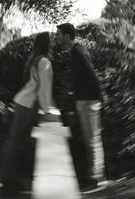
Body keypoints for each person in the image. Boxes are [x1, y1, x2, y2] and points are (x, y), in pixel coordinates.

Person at [55, 23, 109, 194]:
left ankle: (97, 179)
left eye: (58, 34)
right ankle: (94, 176)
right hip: (85, 100)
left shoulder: (77, 52)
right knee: (90, 140)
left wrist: (98, 98)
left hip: (89, 101)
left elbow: (91, 75)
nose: (56, 37)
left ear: (67, 35)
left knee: (92, 140)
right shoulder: (76, 50)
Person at [0, 32, 54, 196]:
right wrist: (46, 110)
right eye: (52, 41)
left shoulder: (35, 59)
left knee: (14, 141)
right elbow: (44, 89)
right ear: (47, 44)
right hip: (26, 105)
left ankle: (7, 178)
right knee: (14, 142)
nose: (54, 43)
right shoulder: (44, 61)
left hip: (22, 102)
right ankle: (6, 181)